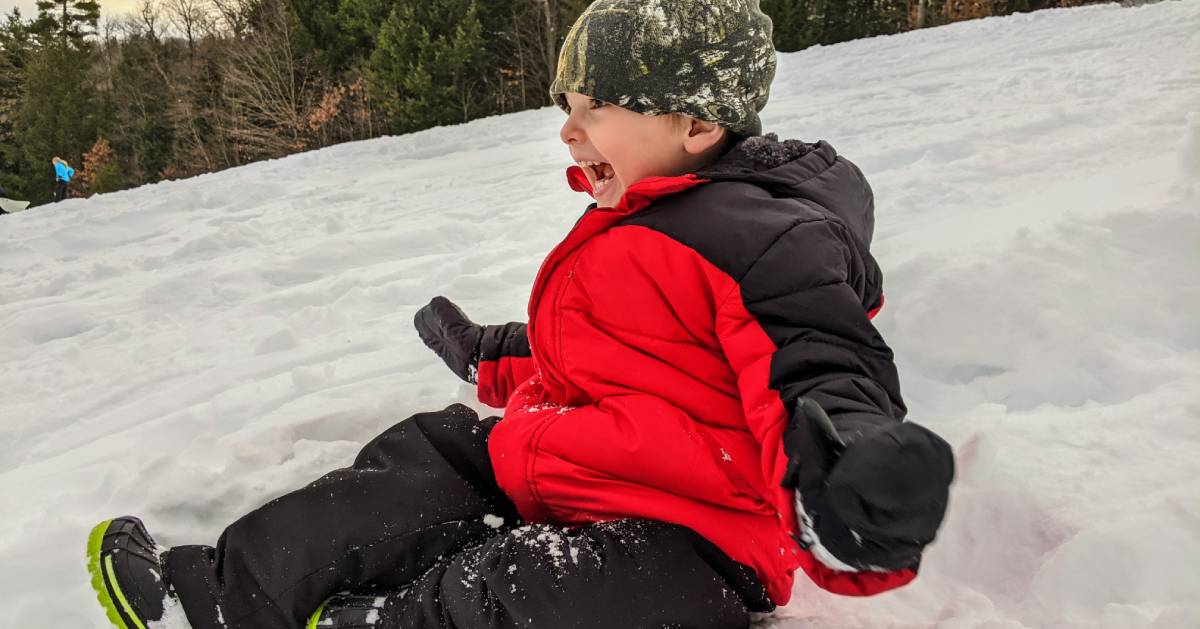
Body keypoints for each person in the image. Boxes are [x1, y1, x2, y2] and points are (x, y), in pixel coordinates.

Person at [86, 1, 955, 628]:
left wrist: (846, 474)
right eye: (566, 110)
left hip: (692, 535)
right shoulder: (643, 211)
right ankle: (208, 595)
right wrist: (485, 355)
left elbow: (819, 361)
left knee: (540, 589)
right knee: (422, 455)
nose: (571, 134)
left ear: (693, 122)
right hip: (561, 463)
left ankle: (386, 619)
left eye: (597, 109)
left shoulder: (772, 239)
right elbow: (588, 348)